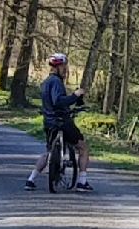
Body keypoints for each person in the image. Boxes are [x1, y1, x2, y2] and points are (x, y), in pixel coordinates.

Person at [25, 53, 94, 192]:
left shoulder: (46, 83)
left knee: (49, 152)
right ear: (56, 67)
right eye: (63, 67)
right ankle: (82, 181)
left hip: (48, 122)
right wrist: (75, 96)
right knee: (83, 147)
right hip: (61, 121)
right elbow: (58, 101)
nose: (65, 69)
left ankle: (31, 179)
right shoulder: (56, 82)